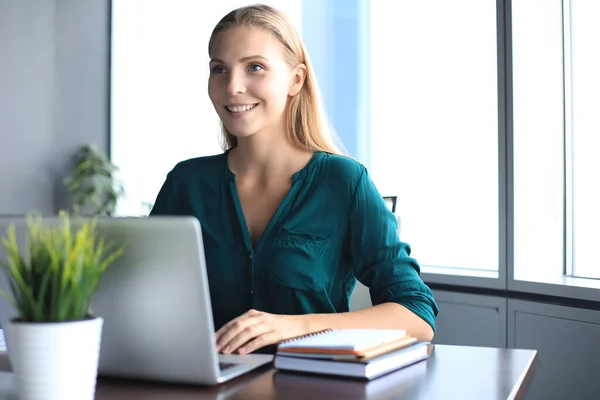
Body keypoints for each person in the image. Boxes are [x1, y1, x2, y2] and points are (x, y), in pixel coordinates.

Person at [150, 4, 438, 355]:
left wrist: (295, 326)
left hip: (313, 386)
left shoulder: (344, 182)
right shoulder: (186, 183)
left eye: (255, 67)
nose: (233, 86)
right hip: (208, 387)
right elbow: (146, 301)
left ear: (295, 79)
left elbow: (416, 315)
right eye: (219, 69)